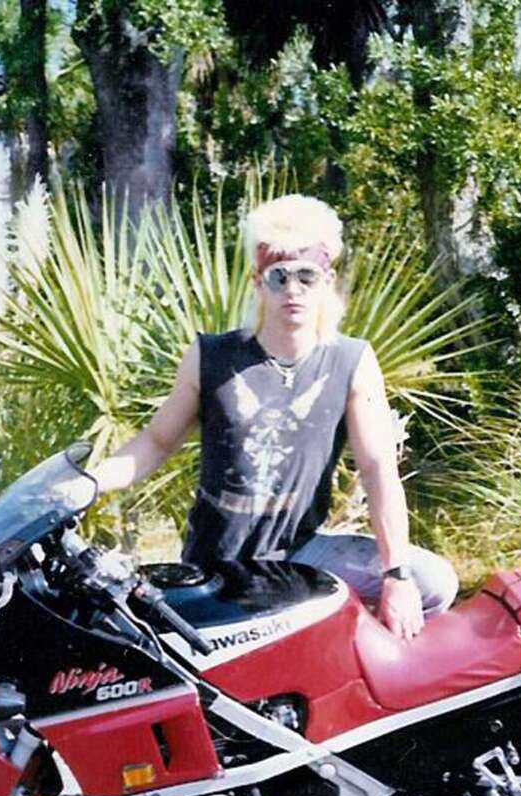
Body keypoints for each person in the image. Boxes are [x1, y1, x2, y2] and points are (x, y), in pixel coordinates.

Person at [95, 194, 458, 639]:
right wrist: (89, 482)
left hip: (302, 556)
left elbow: (378, 470)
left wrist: (396, 575)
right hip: (214, 568)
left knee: (432, 583)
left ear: (327, 280)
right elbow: (155, 442)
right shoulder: (211, 356)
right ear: (257, 282)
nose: (292, 290)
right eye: (278, 277)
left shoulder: (352, 362)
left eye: (306, 276)